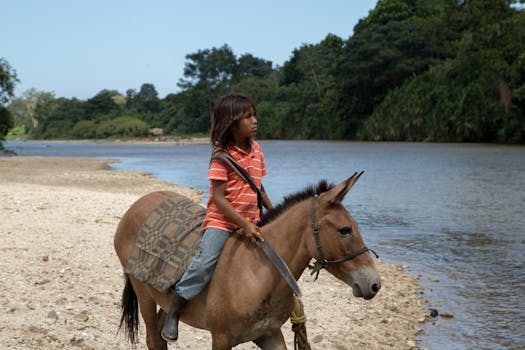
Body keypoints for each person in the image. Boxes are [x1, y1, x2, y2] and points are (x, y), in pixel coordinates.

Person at [161, 93, 273, 342]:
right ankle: (174, 311)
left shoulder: (256, 150)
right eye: (247, 117)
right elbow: (219, 199)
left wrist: (272, 211)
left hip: (253, 219)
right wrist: (242, 224)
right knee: (203, 263)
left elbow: (259, 187)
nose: (254, 120)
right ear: (231, 123)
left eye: (254, 115)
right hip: (222, 222)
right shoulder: (221, 155)